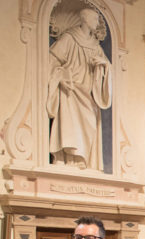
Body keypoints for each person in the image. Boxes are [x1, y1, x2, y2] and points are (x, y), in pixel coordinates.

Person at [47, 7, 111, 170]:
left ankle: (84, 159)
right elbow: (51, 60)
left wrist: (103, 65)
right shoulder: (69, 38)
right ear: (85, 20)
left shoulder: (96, 46)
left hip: (89, 93)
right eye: (94, 19)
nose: (97, 23)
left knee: (89, 124)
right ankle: (70, 158)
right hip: (71, 90)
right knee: (69, 124)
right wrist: (61, 77)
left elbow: (107, 66)